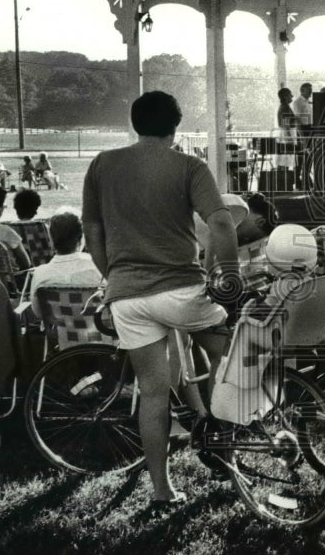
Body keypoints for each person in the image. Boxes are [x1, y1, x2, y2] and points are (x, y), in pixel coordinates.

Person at [82, 90, 239, 505]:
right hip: (182, 289)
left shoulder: (102, 165)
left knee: (153, 393)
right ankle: (225, 437)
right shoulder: (189, 165)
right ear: (176, 125)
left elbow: (93, 231)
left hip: (127, 297)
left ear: (135, 123)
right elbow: (221, 224)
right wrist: (231, 276)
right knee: (234, 355)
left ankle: (162, 491)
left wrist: (112, 275)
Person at [211, 224, 319, 425]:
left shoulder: (282, 284)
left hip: (273, 335)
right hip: (300, 332)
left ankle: (236, 390)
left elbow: (265, 311)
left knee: (239, 330)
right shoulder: (307, 281)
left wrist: (248, 308)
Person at [28, 210, 103, 319]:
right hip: (100, 334)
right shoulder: (99, 267)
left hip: (59, 335)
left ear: (51, 240)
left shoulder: (40, 274)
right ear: (81, 239)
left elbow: (39, 313)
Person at [291, 82, 314, 191]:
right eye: (309, 90)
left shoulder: (308, 102)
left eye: (311, 90)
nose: (311, 92)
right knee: (301, 159)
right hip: (302, 131)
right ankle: (300, 182)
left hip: (309, 130)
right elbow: (297, 121)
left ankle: (305, 181)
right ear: (302, 90)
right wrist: (302, 137)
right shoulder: (298, 102)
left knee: (308, 158)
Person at [276, 87, 297, 171]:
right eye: (290, 95)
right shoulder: (285, 108)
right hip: (287, 136)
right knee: (285, 162)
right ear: (285, 96)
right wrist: (291, 140)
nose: (292, 96)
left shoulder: (283, 107)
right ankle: (283, 182)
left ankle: (282, 181)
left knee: (284, 162)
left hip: (285, 136)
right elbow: (286, 125)